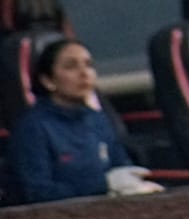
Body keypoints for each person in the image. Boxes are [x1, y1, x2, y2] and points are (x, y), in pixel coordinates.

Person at [5, 39, 161, 204]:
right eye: (71, 67)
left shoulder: (98, 119)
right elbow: (37, 193)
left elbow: (120, 167)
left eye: (89, 65)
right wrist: (104, 185)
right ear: (48, 81)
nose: (84, 73)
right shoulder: (33, 128)